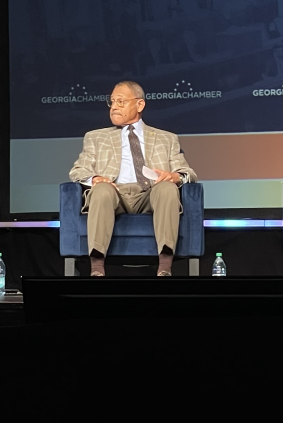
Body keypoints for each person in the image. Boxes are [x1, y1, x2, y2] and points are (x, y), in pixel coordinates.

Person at [68, 80, 197, 277]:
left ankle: (165, 266)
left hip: (150, 194)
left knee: (167, 188)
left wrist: (174, 176)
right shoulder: (95, 137)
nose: (114, 107)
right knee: (101, 190)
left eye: (121, 101)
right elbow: (78, 170)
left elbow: (188, 172)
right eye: (112, 102)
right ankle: (97, 268)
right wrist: (94, 179)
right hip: (114, 193)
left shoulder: (167, 138)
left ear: (139, 105)